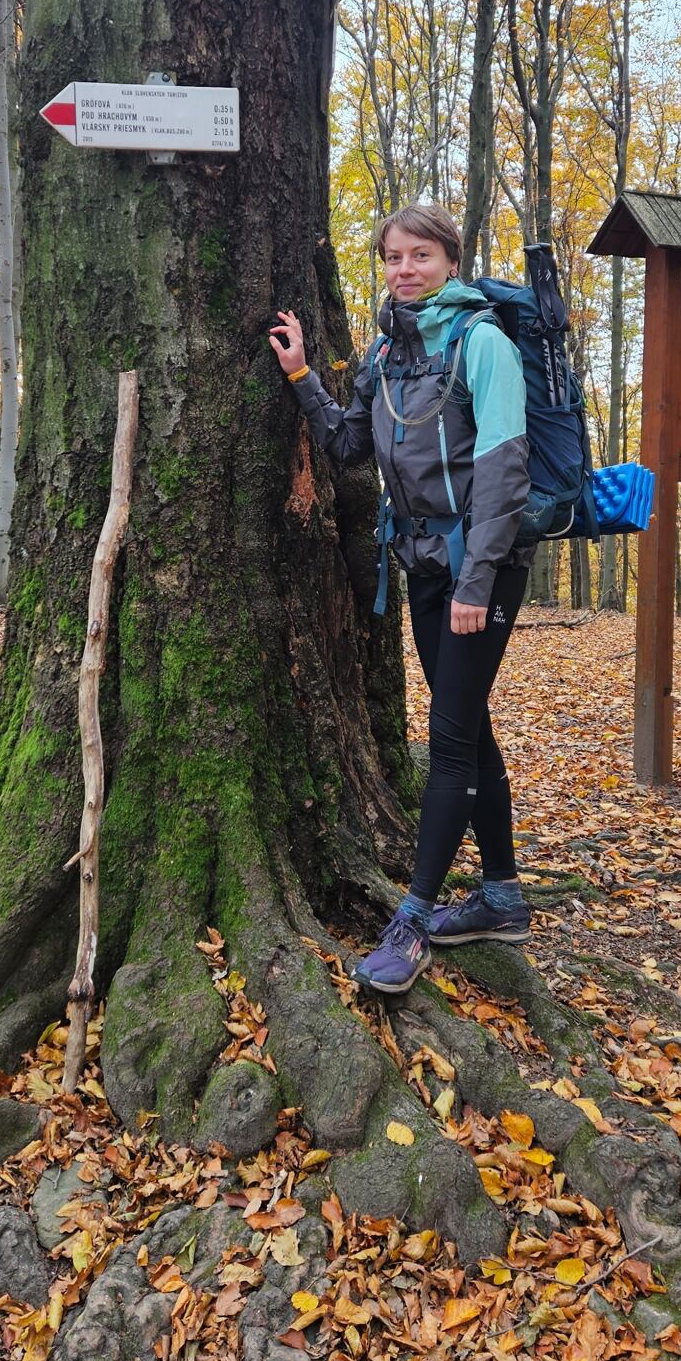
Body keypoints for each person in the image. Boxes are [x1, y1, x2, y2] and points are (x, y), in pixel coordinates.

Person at [269, 203, 533, 995]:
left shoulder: (481, 342)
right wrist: (301, 375)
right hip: (420, 563)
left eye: (420, 255)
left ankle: (412, 921)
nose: (405, 269)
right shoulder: (388, 351)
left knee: (447, 740)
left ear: (450, 259)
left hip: (479, 566)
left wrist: (476, 583)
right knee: (468, 728)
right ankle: (501, 898)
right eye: (392, 257)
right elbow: (348, 444)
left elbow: (505, 470)